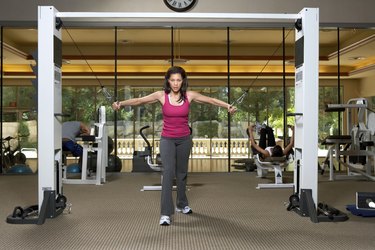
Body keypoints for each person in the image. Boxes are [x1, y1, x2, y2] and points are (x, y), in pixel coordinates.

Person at [112, 66, 237, 226]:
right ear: (168, 81)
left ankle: (182, 204)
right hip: (167, 140)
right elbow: (139, 100)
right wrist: (121, 104)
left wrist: (227, 106)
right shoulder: (161, 95)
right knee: (168, 173)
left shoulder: (189, 95)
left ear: (183, 81)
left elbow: (211, 100)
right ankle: (165, 213)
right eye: (173, 80)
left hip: (185, 139)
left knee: (182, 173)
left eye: (179, 80)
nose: (176, 83)